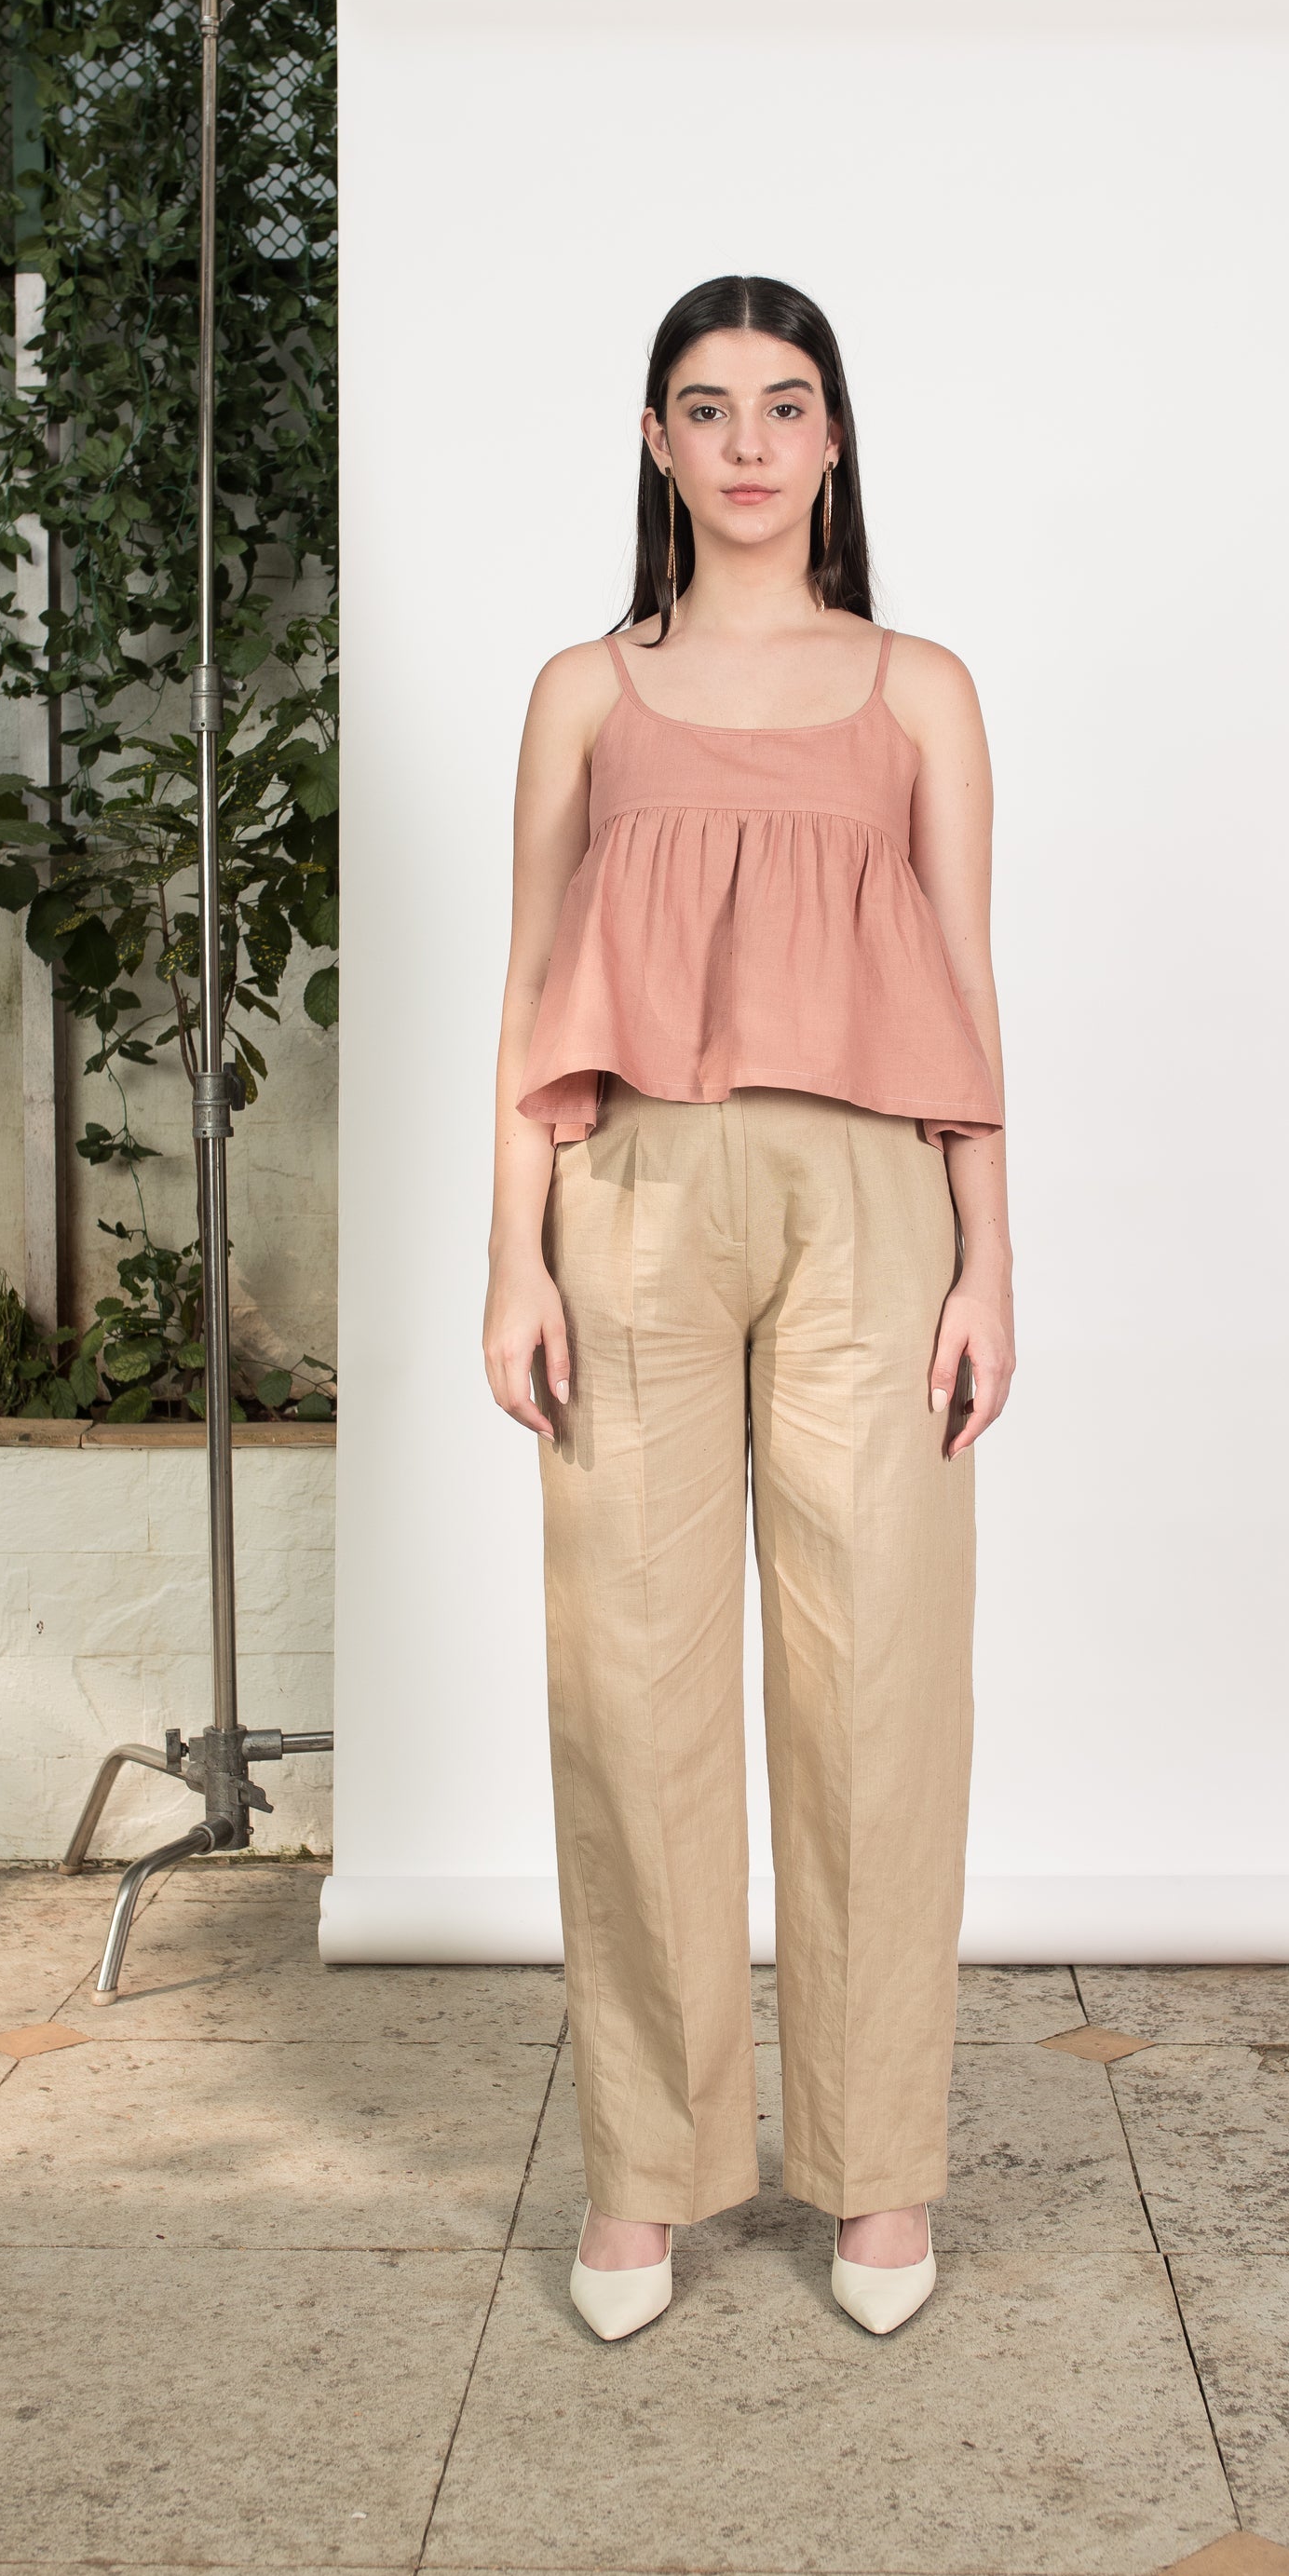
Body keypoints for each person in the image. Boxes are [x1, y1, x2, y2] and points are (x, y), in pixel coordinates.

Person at [482, 274, 1012, 2342]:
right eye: (706, 409)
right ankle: (648, 2168)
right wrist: (508, 1255)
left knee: (876, 1676)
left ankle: (878, 2166)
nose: (749, 444)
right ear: (656, 443)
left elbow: (966, 988)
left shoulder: (921, 689)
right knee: (630, 1676)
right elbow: (531, 992)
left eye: (785, 405)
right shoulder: (584, 693)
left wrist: (991, 1259)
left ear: (835, 435)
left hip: (875, 1199)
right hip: (630, 1191)